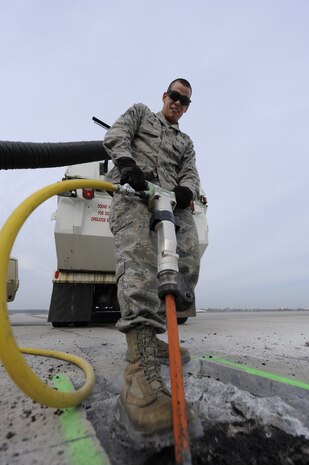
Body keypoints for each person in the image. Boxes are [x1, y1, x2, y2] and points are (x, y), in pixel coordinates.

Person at [103, 78, 201, 442]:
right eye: (174, 96)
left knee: (184, 266)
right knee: (142, 270)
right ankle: (139, 380)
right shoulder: (142, 113)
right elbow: (116, 133)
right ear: (165, 96)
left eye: (184, 101)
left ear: (187, 108)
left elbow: (190, 171)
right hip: (134, 195)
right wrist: (127, 163)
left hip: (172, 205)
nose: (177, 103)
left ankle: (154, 336)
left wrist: (185, 189)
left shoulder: (185, 142)